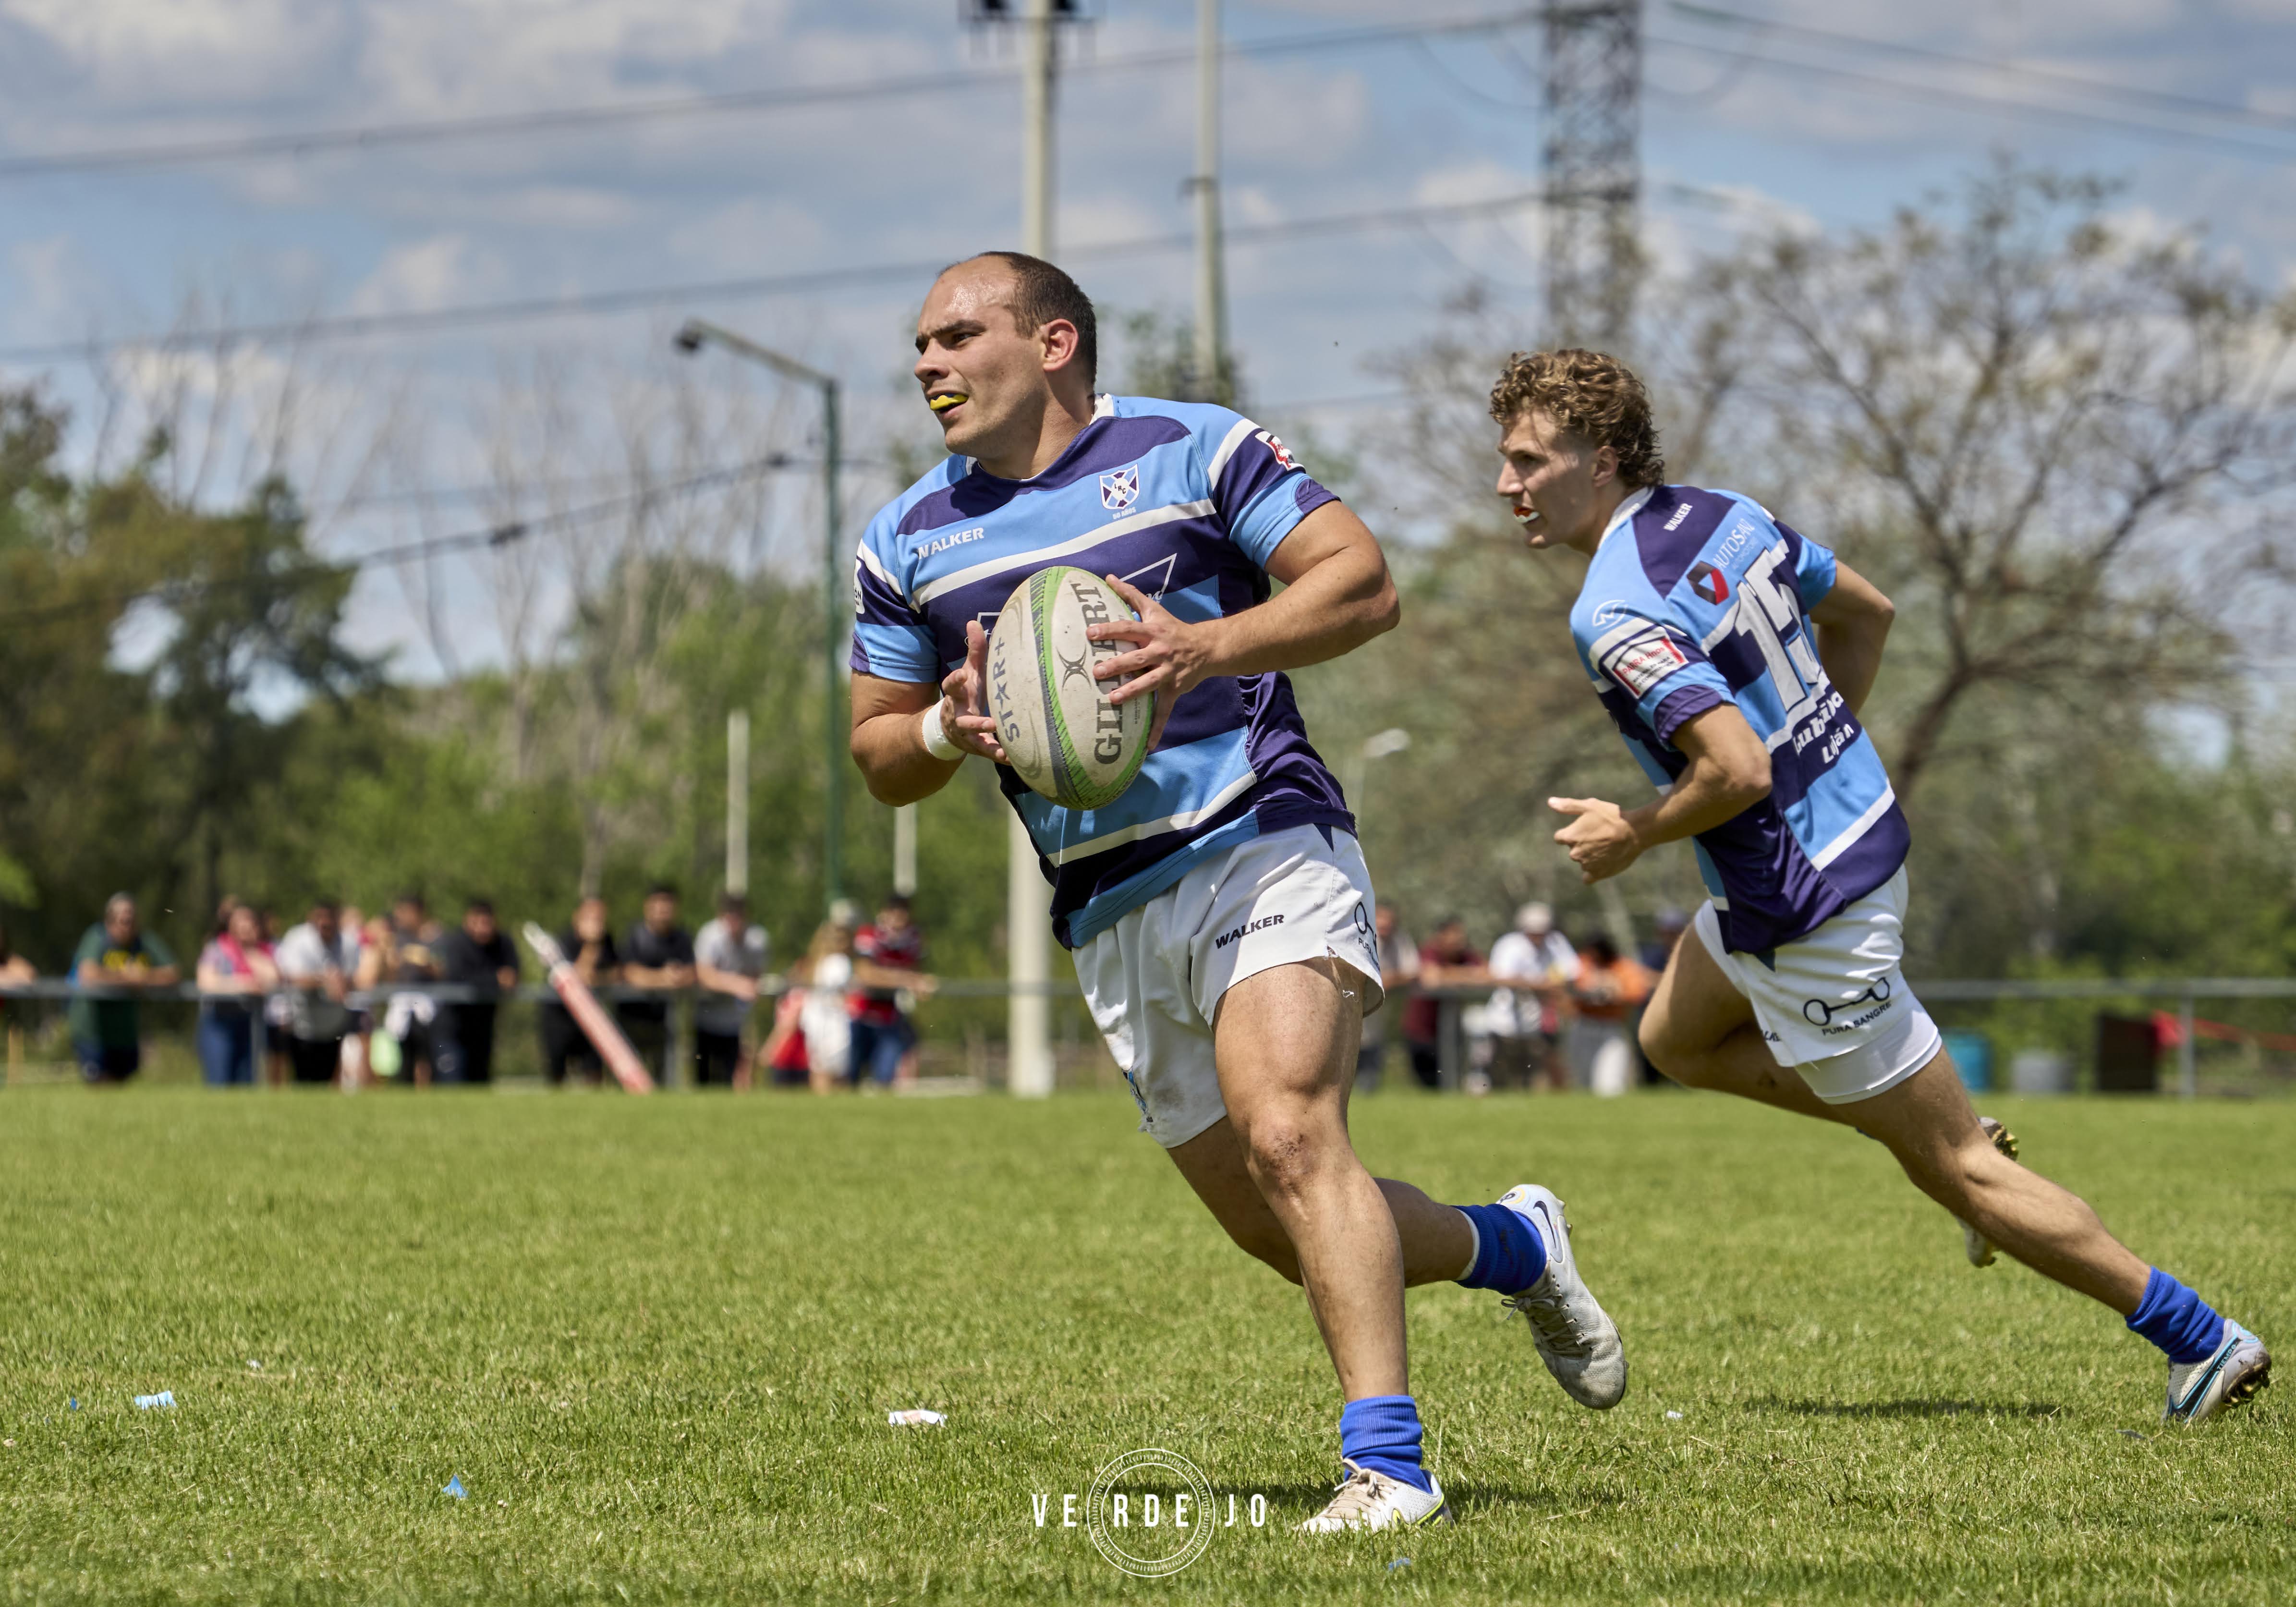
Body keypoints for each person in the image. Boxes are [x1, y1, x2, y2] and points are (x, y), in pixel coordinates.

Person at [847, 251, 1625, 1532]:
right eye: (917, 344)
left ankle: (1388, 1468)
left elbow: (1359, 584)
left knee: (1289, 1135)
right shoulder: (904, 541)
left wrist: (1203, 644)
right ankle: (1515, 1245)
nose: (925, 362)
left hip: (1261, 832)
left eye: (953, 335)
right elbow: (878, 757)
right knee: (1281, 1225)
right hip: (1107, 904)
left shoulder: (1191, 451)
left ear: (1051, 344)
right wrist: (944, 726)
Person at [1491, 344, 2270, 1424]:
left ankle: (2198, 1336)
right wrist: (1826, 747)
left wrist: (1632, 829)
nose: (1506, 484)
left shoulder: (1612, 613)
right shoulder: (1725, 511)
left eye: (1530, 459)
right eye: (1504, 460)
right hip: (1848, 844)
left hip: (1804, 908)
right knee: (1672, 1037)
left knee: (1954, 1168)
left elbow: (1735, 769)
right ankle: (1920, 1111)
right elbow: (1869, 612)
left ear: (1605, 456)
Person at [68, 893, 180, 1083]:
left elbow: (173, 973)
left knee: (120, 1091)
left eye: (131, 920)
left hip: (126, 1034)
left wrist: (144, 977)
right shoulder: (97, 937)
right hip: (94, 1032)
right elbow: (87, 973)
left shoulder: (143, 941)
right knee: (99, 1087)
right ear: (109, 921)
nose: (127, 925)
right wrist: (126, 977)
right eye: (122, 920)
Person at [1485, 902, 1579, 1091]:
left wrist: (1546, 986)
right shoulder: (1510, 945)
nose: (1539, 936)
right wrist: (1541, 985)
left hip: (1541, 1020)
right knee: (1500, 1071)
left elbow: (1573, 973)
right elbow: (1501, 978)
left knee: (1536, 1072)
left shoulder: (1556, 943)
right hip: (1507, 1020)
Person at [848, 894, 930, 1089]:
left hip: (889, 1017)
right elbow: (866, 974)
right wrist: (906, 980)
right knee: (850, 1077)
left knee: (885, 1077)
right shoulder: (869, 935)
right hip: (860, 1014)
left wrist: (919, 983)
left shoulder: (912, 940)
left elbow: (916, 973)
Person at [274, 899, 358, 1085]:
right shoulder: (298, 940)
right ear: (312, 918)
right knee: (303, 1081)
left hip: (333, 1025)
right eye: (320, 917)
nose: (325, 923)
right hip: (302, 1025)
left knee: (326, 1081)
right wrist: (323, 980)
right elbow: (291, 976)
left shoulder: (348, 944)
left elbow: (355, 978)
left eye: (330, 918)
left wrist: (341, 982)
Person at [435, 899, 519, 1085]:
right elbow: (458, 976)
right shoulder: (456, 943)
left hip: (484, 1027)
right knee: (452, 1084)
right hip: (453, 1029)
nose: (483, 929)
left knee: (480, 1084)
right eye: (478, 923)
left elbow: (514, 974)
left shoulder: (503, 943)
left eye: (487, 923)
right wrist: (495, 979)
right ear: (468, 920)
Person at [619, 885, 695, 1086]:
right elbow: (630, 974)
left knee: (664, 1079)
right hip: (631, 1020)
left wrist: (677, 977)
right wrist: (664, 978)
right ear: (647, 907)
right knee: (628, 1079)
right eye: (658, 905)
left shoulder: (682, 938)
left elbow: (692, 972)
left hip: (665, 1023)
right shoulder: (635, 936)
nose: (663, 911)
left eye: (668, 905)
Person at [194, 899, 277, 1087]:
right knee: (220, 1081)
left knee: (246, 1082)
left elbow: (272, 979)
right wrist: (242, 985)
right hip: (219, 1023)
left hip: (249, 1023)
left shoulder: (262, 952)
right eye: (240, 922)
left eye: (250, 922)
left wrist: (249, 951)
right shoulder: (216, 949)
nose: (245, 926)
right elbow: (206, 982)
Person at [539, 897, 620, 1087]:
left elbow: (617, 973)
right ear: (577, 918)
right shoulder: (563, 941)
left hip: (591, 1016)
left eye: (600, 919)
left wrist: (599, 978)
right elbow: (576, 979)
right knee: (557, 1073)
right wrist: (591, 945)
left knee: (594, 1072)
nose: (596, 924)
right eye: (591, 918)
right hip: (560, 1016)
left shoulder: (607, 940)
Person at [693, 892, 770, 1088]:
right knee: (705, 1078)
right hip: (707, 1017)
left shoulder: (757, 939)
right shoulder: (710, 936)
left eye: (739, 915)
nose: (734, 921)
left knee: (734, 1078)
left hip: (737, 1021)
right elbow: (704, 975)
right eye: (730, 915)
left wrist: (745, 989)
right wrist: (736, 985)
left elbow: (755, 978)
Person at [1401, 917, 1486, 1091]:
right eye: (1454, 936)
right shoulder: (1430, 953)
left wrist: (1448, 975)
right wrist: (1467, 975)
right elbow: (1431, 979)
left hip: (1451, 1032)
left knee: (1450, 1082)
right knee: (1429, 1086)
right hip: (1422, 1032)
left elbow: (1487, 974)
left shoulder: (1465, 955)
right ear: (1440, 937)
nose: (1458, 941)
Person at [1564, 934, 1651, 1098]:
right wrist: (1586, 991)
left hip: (1610, 1028)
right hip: (1584, 1025)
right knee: (1582, 1082)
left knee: (1610, 1084)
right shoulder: (1581, 963)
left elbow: (1637, 993)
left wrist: (1614, 992)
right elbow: (1565, 986)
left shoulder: (1622, 967)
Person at [1353, 904, 1417, 1094]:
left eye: (1389, 922)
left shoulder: (1401, 940)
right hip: (1355, 1001)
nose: (1385, 926)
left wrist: (1387, 979)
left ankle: (1368, 1089)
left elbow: (1412, 971)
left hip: (1378, 1008)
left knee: (1373, 1046)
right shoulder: (1361, 935)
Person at [794, 918, 856, 1094]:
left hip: (815, 1020)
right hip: (833, 1021)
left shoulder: (816, 963)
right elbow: (840, 996)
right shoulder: (840, 962)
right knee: (838, 1073)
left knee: (819, 1068)